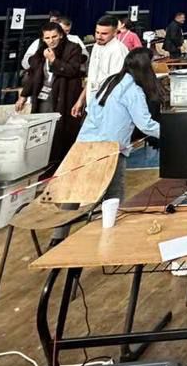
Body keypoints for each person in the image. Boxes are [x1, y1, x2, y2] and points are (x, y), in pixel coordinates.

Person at [55, 48, 161, 240]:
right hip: (110, 149)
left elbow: (92, 109)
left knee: (74, 191)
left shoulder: (110, 81)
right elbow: (145, 124)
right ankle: (112, 236)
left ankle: (58, 236)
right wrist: (172, 132)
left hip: (85, 144)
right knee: (114, 194)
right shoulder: (133, 90)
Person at [19, 23, 86, 169]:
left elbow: (72, 70)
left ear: (61, 35)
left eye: (54, 36)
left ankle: (59, 165)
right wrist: (24, 95)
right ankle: (42, 163)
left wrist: (54, 60)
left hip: (63, 97)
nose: (51, 41)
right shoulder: (41, 50)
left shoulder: (73, 48)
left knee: (60, 133)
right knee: (41, 131)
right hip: (43, 98)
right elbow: (34, 73)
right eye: (47, 38)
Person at [73, 15, 125, 118]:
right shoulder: (97, 46)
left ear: (115, 33)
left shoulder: (118, 51)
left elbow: (116, 85)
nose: (99, 36)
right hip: (91, 105)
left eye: (104, 34)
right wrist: (81, 100)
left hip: (106, 109)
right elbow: (92, 78)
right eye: (97, 32)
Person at [20, 11, 84, 70]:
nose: (64, 33)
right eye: (62, 30)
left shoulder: (75, 39)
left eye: (67, 31)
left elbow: (85, 56)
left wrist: (72, 58)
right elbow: (25, 62)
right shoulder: (40, 42)